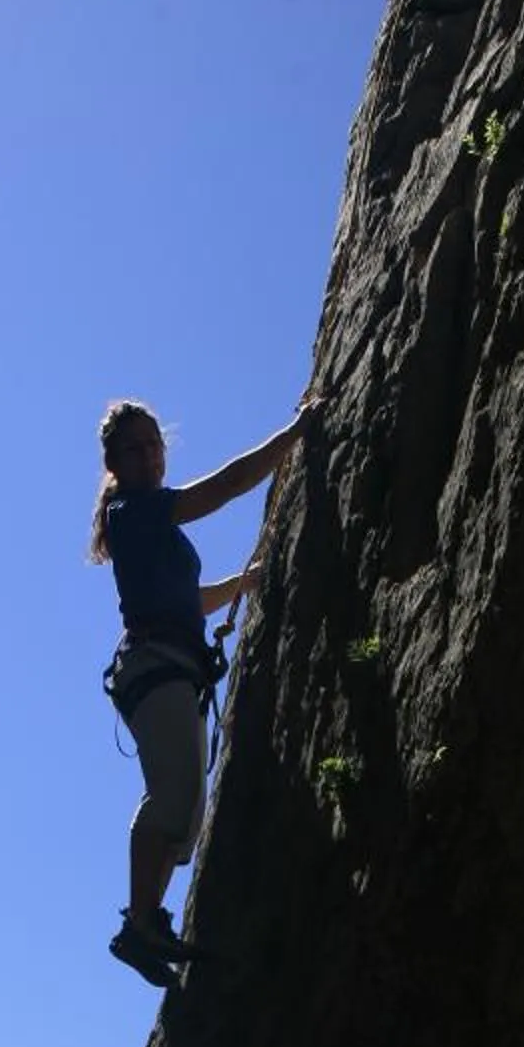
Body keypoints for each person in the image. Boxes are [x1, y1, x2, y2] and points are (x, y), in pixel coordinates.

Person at [89, 395, 312, 985]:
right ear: (115, 462)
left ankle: (148, 921)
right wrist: (292, 436)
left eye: (153, 446)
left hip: (175, 668)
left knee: (187, 815)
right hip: (156, 667)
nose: (148, 458)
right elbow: (225, 487)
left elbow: (189, 600)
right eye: (134, 450)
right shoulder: (133, 513)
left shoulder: (148, 524)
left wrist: (246, 582)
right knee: (176, 791)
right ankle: (138, 922)